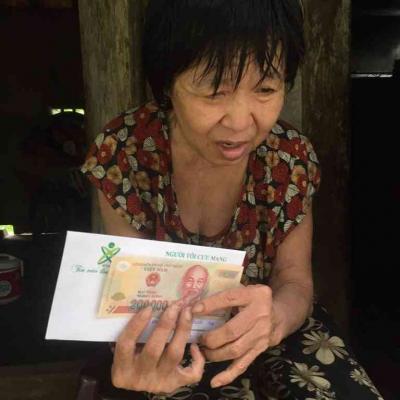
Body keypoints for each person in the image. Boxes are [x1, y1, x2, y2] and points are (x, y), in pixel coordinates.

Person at [81, 1, 383, 398]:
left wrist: (274, 319)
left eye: (266, 89)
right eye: (213, 91)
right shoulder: (124, 153)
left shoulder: (288, 158)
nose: (241, 122)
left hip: (274, 329)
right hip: (167, 337)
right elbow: (132, 295)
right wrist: (140, 361)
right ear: (168, 83)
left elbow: (294, 281)